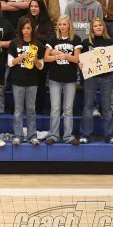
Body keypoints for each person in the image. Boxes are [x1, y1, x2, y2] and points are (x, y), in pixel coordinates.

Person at [78, 18, 113, 144]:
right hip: (91, 77)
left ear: (104, 27)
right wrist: (80, 64)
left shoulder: (110, 42)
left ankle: (110, 135)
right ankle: (85, 134)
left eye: (100, 25)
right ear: (92, 29)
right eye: (95, 26)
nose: (98, 27)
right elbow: (80, 60)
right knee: (88, 106)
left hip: (107, 77)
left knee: (106, 107)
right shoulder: (86, 42)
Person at [44, 15, 81, 145]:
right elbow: (46, 58)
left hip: (70, 79)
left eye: (64, 24)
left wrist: (61, 54)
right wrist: (55, 56)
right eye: (60, 24)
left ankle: (68, 136)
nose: (62, 27)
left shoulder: (75, 39)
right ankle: (53, 135)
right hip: (55, 78)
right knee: (55, 108)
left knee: (68, 109)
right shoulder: (53, 39)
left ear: (69, 25)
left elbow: (76, 59)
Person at [8, 15, 45, 145]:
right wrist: (22, 57)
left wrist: (35, 61)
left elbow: (41, 66)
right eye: (24, 28)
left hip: (32, 81)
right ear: (20, 29)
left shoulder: (37, 44)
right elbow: (10, 63)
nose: (26, 30)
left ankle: (32, 135)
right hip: (17, 80)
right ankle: (18, 135)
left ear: (32, 29)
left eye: (28, 28)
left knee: (31, 109)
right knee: (18, 110)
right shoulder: (14, 43)